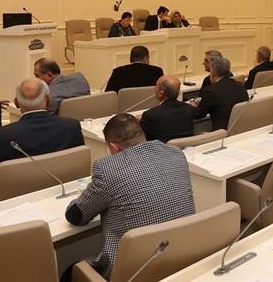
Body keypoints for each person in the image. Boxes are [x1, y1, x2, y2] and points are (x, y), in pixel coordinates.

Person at [63, 113, 194, 281]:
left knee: (69, 273)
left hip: (130, 270)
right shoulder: (175, 153)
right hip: (178, 257)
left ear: (114, 147)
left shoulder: (107, 169)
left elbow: (76, 216)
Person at [0, 78, 84, 201]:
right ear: (48, 100)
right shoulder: (71, 127)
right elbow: (80, 171)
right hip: (62, 196)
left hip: (15, 203)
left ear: (16, 103)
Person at [190, 57, 249, 130]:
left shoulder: (211, 91)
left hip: (222, 132)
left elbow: (197, 114)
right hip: (240, 129)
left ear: (213, 73)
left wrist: (192, 106)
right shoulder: (240, 85)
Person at [138, 75, 194, 143]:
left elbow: (142, 140)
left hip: (160, 149)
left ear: (161, 93)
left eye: (156, 86)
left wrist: (140, 121)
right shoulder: (189, 109)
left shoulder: (150, 115)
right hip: (186, 147)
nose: (154, 88)